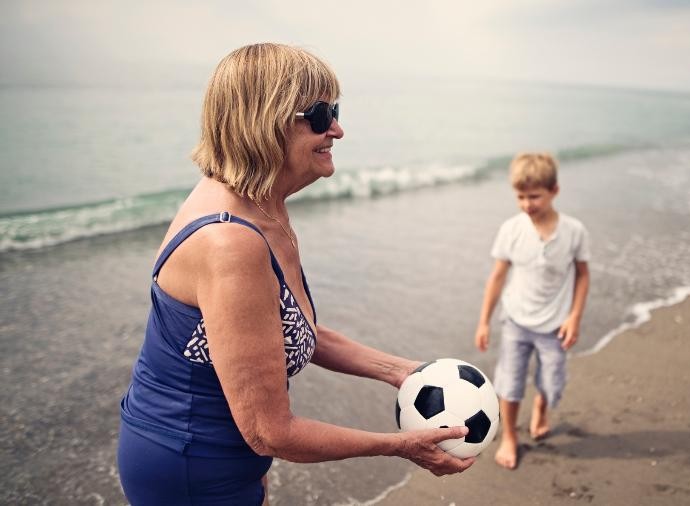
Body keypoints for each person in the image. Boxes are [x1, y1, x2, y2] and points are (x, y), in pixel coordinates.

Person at [116, 43, 473, 505]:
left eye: (335, 112)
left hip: (226, 455)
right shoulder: (231, 243)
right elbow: (271, 432)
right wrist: (401, 445)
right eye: (321, 115)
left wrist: (401, 371)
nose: (337, 130)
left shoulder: (262, 202)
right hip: (189, 465)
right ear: (266, 122)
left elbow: (280, 330)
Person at [474, 153, 590, 470]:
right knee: (509, 384)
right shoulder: (511, 230)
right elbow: (497, 276)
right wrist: (484, 321)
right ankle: (510, 436)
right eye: (520, 197)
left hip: (555, 325)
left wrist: (575, 317)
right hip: (516, 321)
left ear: (554, 191)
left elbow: (583, 275)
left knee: (551, 383)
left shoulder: (574, 231)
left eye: (535, 196)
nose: (527, 204)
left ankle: (541, 406)